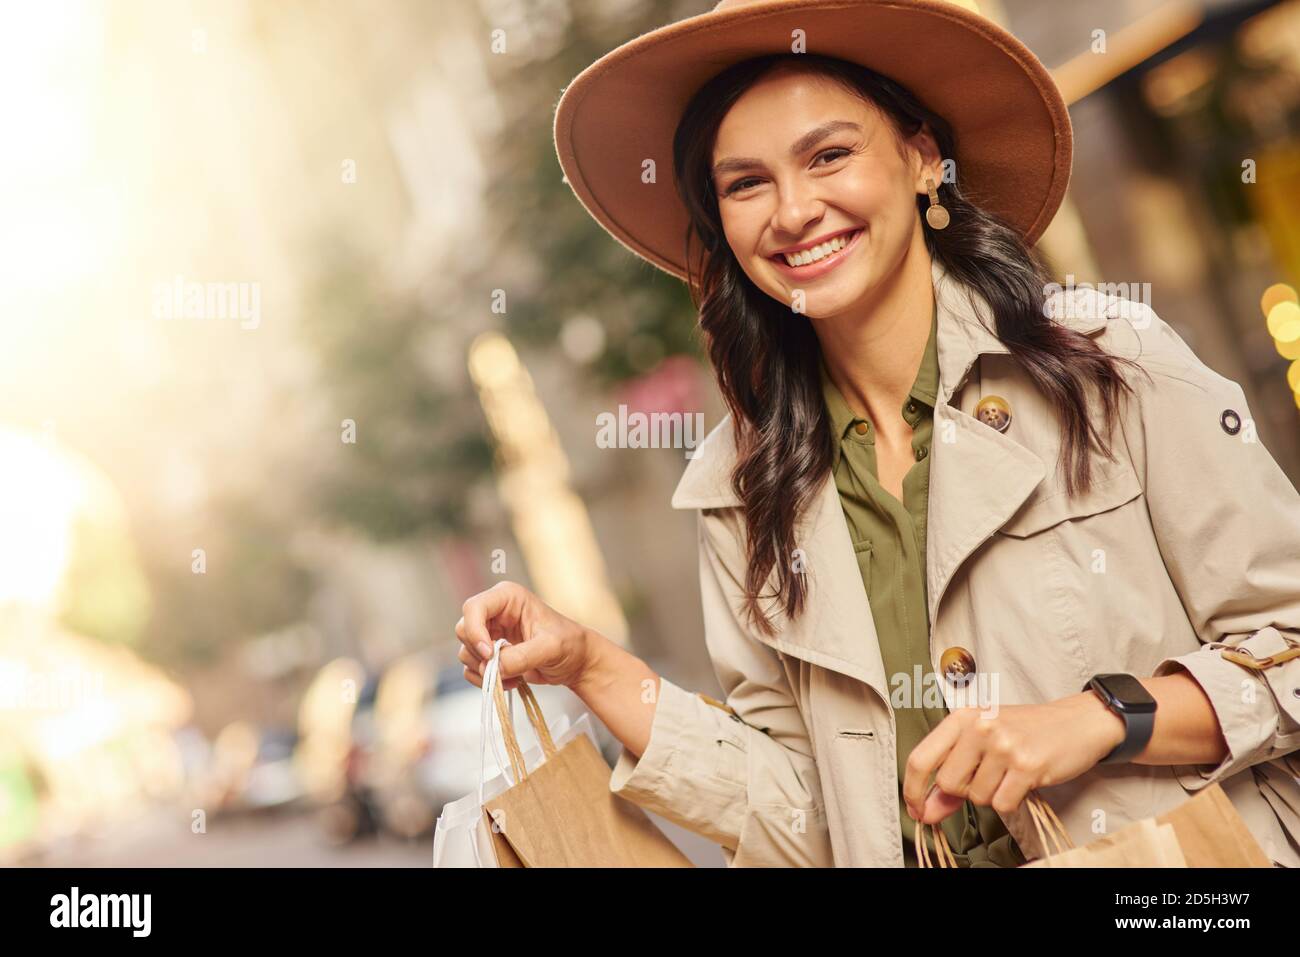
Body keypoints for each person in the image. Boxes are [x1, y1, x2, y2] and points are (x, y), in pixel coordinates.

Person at [455, 0, 1300, 867]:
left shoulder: (1109, 363)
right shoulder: (743, 489)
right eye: (746, 183)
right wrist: (592, 663)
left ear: (923, 157)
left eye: (829, 155)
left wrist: (1099, 719)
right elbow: (809, 815)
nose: (793, 211)